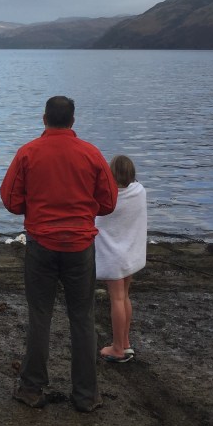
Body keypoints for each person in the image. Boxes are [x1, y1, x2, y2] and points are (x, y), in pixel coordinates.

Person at [0, 96, 117, 414]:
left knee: (40, 315)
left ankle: (32, 388)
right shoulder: (91, 154)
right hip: (79, 247)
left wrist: (35, 208)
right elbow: (108, 203)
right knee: (82, 318)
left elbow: (10, 199)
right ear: (73, 121)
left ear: (44, 119)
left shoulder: (28, 152)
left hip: (42, 244)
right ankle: (86, 395)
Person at [95, 155, 147, 362]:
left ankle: (117, 349)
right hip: (131, 253)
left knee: (116, 299)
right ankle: (124, 342)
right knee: (124, 296)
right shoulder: (139, 191)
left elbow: (98, 218)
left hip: (114, 255)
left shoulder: (109, 197)